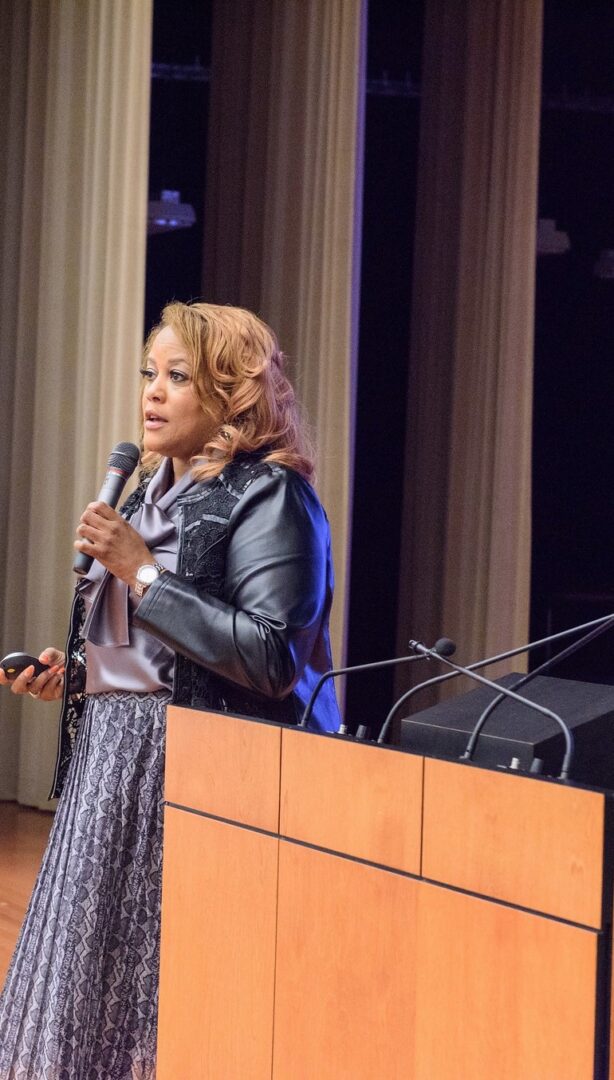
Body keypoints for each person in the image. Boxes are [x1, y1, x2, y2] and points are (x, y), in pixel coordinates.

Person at [0, 301, 341, 1079]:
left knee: (165, 988)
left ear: (230, 395)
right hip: (108, 770)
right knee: (87, 987)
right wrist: (76, 676)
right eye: (149, 373)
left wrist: (141, 571)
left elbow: (271, 656)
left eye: (178, 377)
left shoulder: (269, 496)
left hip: (198, 773)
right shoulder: (146, 499)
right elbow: (151, 657)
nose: (152, 392)